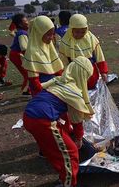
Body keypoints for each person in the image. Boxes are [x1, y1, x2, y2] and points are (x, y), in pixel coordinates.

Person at [23, 56, 95, 187]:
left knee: (52, 147)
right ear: (83, 76)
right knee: (71, 151)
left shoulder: (58, 81)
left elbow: (60, 110)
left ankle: (60, 169)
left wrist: (67, 130)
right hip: (43, 120)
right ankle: (68, 183)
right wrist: (78, 138)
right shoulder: (74, 92)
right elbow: (76, 120)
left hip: (29, 115)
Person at [59, 14, 108, 90]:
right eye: (77, 32)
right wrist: (66, 75)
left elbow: (99, 56)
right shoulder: (65, 42)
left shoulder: (91, 38)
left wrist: (103, 71)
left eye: (83, 32)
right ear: (71, 29)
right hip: (75, 75)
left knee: (92, 92)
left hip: (91, 73)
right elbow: (63, 61)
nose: (80, 35)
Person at [23, 16, 64, 96]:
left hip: (53, 86)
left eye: (52, 34)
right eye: (48, 35)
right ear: (38, 33)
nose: (51, 38)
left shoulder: (48, 45)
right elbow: (34, 80)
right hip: (41, 89)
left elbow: (57, 66)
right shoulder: (32, 51)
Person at [9, 13, 29, 94]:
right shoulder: (22, 33)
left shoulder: (21, 32)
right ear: (20, 24)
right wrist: (29, 59)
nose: (27, 22)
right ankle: (25, 91)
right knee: (28, 74)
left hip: (15, 54)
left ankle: (27, 90)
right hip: (17, 55)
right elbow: (24, 48)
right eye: (26, 21)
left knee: (28, 74)